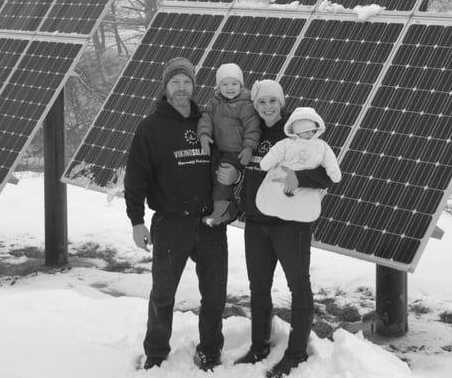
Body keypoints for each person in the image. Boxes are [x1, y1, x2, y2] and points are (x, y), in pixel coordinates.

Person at [124, 57, 238, 372]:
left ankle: (211, 351)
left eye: (187, 82)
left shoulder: (208, 119)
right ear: (166, 86)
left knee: (215, 296)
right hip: (170, 223)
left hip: (209, 223)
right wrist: (136, 221)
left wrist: (233, 177)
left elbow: (229, 153)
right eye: (175, 82)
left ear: (194, 85)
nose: (182, 88)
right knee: (163, 295)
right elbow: (136, 177)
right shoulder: (151, 127)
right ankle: (156, 354)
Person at [233, 80, 335, 378]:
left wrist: (298, 177)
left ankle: (296, 353)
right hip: (255, 221)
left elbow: (326, 175)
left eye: (272, 101)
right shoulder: (250, 132)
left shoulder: (295, 131)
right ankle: (258, 346)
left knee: (298, 287)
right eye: (262, 101)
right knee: (258, 287)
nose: (267, 106)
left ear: (281, 102)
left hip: (291, 226)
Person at [197, 62, 260, 226]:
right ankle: (222, 206)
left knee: (223, 177)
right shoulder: (214, 102)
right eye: (224, 84)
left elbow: (252, 127)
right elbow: (205, 119)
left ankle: (223, 212)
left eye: (234, 83)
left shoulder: (246, 104)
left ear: (241, 84)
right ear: (218, 86)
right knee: (210, 174)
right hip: (219, 149)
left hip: (236, 152)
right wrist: (203, 135)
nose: (229, 88)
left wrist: (248, 147)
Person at [256, 106, 341, 222]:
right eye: (306, 131)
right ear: (296, 130)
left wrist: (334, 172)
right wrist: (265, 164)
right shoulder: (286, 144)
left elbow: (331, 162)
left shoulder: (321, 146)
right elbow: (272, 156)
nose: (311, 133)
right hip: (281, 177)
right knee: (277, 190)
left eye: (313, 131)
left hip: (305, 184)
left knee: (302, 199)